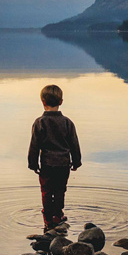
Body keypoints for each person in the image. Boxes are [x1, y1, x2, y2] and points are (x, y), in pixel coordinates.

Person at [28, 84, 81, 231]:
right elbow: (74, 144)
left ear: (43, 102)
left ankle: (47, 218)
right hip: (64, 164)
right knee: (60, 190)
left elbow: (34, 145)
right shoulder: (67, 123)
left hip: (47, 164)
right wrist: (76, 161)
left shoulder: (40, 122)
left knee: (46, 190)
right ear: (61, 102)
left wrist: (33, 163)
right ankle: (57, 215)